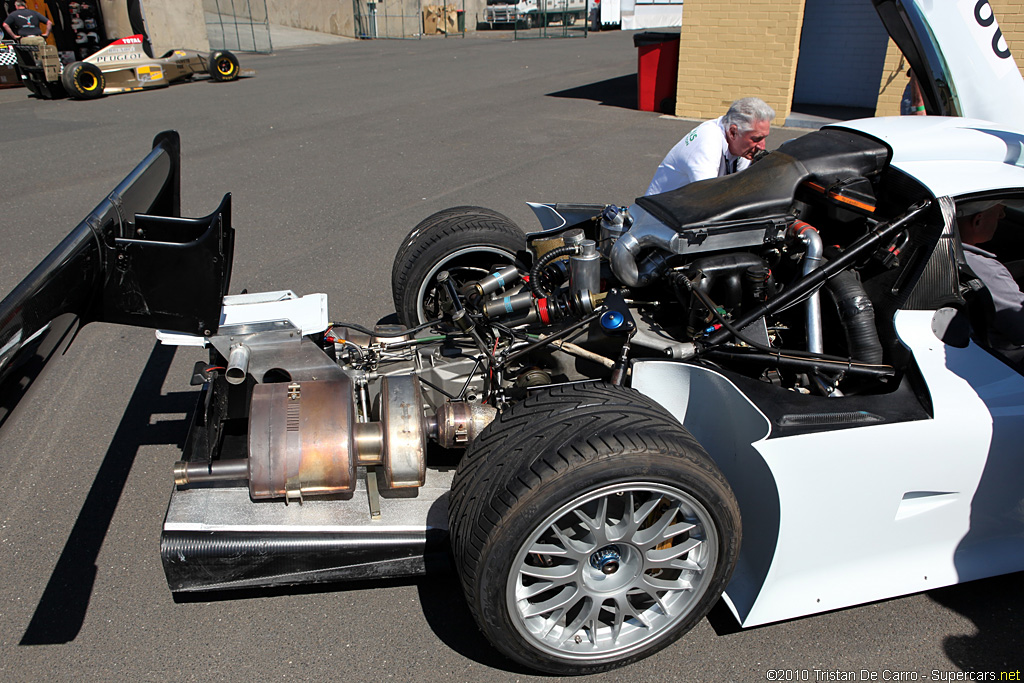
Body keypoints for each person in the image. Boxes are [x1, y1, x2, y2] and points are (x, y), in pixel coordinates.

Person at [645, 97, 775, 196]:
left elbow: (739, 187)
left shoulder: (742, 145)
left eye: (764, 138)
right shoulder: (707, 143)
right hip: (660, 220)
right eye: (757, 139)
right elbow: (708, 197)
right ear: (733, 132)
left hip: (686, 210)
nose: (762, 146)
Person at [958, 201, 1024, 348]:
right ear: (978, 220)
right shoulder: (986, 270)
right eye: (999, 211)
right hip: (995, 357)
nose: (1003, 216)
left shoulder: (928, 248)